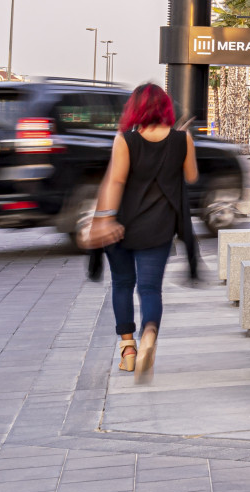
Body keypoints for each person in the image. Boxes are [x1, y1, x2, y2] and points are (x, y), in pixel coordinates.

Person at [83, 84, 198, 379]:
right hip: (158, 228)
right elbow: (191, 177)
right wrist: (186, 141)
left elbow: (116, 182)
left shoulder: (125, 140)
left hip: (121, 224)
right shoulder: (182, 140)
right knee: (149, 289)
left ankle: (128, 351)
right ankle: (150, 334)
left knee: (122, 284)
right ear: (166, 108)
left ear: (135, 109)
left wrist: (106, 219)